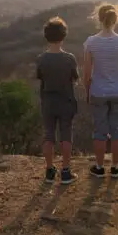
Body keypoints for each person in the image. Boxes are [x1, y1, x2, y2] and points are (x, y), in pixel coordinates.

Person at [83, 3, 118, 179]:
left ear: (99, 18)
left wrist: (87, 90)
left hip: (98, 91)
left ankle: (98, 167)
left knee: (99, 131)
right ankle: (115, 167)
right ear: (115, 19)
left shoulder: (91, 42)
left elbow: (87, 72)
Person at [35, 16, 79, 185]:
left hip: (48, 101)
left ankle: (49, 170)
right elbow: (75, 78)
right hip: (66, 101)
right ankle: (66, 171)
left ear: (46, 36)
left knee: (48, 135)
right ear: (63, 36)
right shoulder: (69, 59)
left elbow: (40, 78)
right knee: (66, 134)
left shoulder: (41, 59)